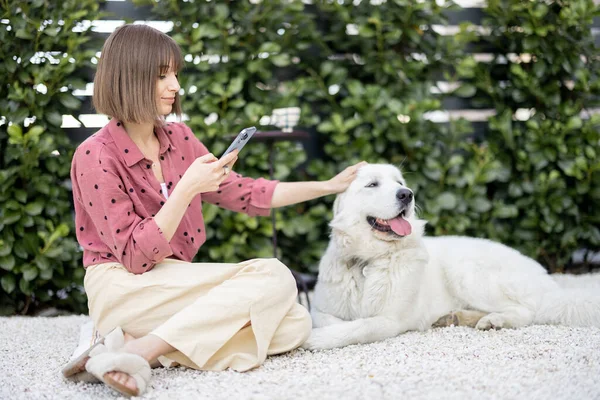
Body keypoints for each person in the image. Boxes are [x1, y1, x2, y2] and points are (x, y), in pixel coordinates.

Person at [62, 23, 366, 397]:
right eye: (162, 75)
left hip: (172, 281)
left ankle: (133, 348)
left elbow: (246, 192)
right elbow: (135, 257)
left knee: (295, 325)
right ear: (128, 78)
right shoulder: (94, 154)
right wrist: (187, 187)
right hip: (121, 284)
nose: (175, 86)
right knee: (274, 275)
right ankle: (141, 346)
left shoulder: (179, 138)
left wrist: (329, 186)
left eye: (175, 73)